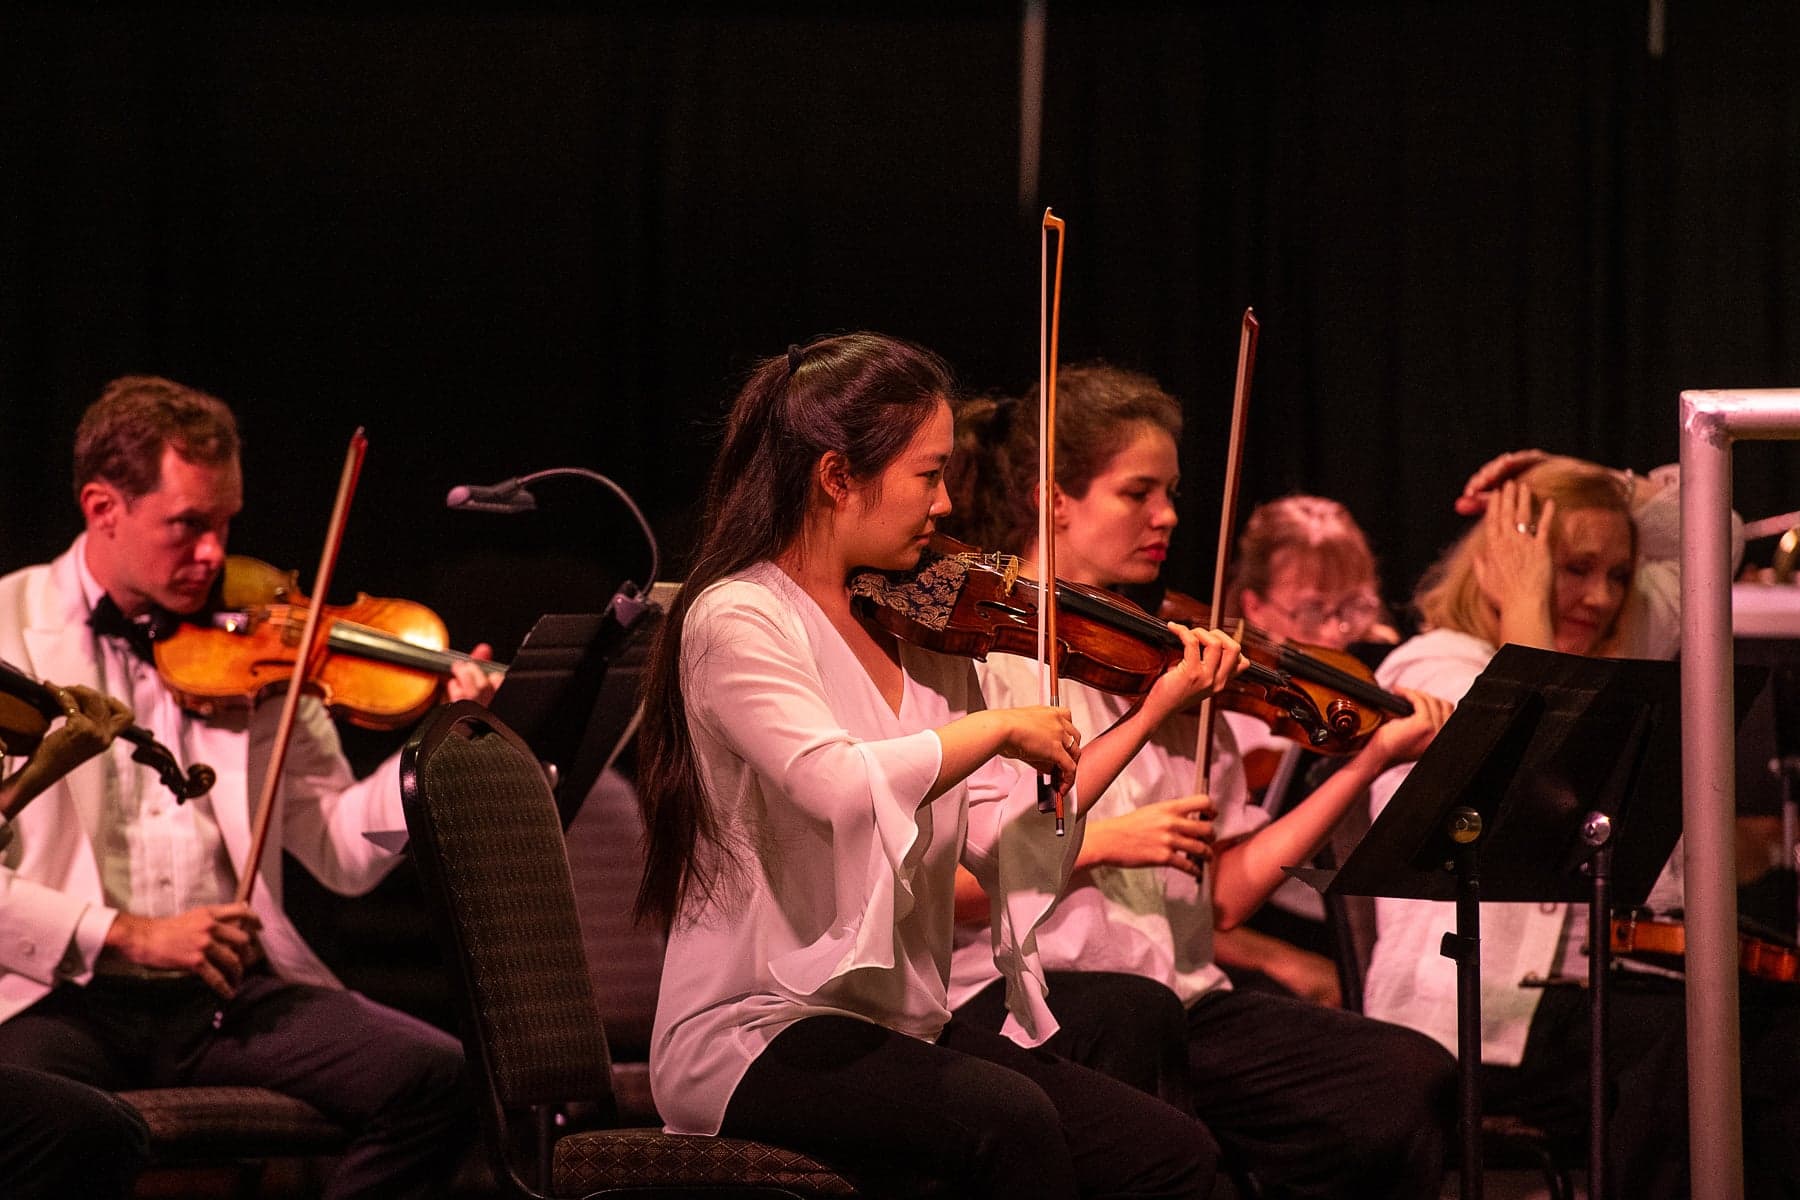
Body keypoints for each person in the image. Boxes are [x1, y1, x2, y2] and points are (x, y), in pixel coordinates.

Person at [635, 333, 1245, 1198]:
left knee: (1168, 1152)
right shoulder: (739, 618)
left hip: (900, 1026)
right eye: (928, 474)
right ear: (837, 477)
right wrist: (998, 728)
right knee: (1009, 1125)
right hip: (755, 1032)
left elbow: (1006, 846)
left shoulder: (922, 632)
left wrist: (1152, 711)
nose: (948, 501)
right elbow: (838, 785)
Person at [944, 363, 1457, 1198]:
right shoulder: (989, 662)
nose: (1168, 517)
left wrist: (1366, 762)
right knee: (1159, 1093)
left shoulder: (1176, 664)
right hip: (1034, 1008)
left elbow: (1220, 900)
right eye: (1137, 493)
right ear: (1054, 497)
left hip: (1181, 1000)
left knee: (1404, 1082)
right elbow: (944, 888)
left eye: (1172, 492)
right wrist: (1104, 844)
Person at [0, 376, 496, 1200]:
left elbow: (344, 854)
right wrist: (125, 933)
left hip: (222, 999)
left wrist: (434, 752)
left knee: (440, 1080)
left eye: (226, 523)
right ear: (102, 508)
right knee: (61, 1131)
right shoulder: (8, 631)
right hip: (53, 995)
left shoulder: (264, 645)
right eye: (188, 525)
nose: (214, 555)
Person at [1362, 453, 1800, 1199]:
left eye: (1619, 574)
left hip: (1627, 987)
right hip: (1489, 1019)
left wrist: (1606, 483)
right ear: (1506, 565)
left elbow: (1714, 536)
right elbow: (1537, 761)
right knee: (1690, 1051)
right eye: (1573, 568)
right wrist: (1527, 594)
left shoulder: (1616, 655)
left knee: (1774, 1049)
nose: (1599, 597)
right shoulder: (1430, 670)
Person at [1214, 494, 1400, 1004]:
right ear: (1254, 607)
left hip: (1358, 919)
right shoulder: (1230, 713)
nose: (1337, 636)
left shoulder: (1383, 668)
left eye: (1353, 608)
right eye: (1314, 610)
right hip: (1262, 925)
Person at [0, 677, 150, 1200]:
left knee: (95, 1126)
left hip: (207, 995)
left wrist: (32, 778)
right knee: (89, 1128)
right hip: (48, 999)